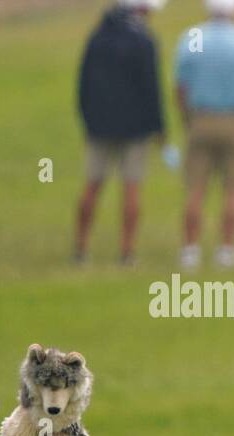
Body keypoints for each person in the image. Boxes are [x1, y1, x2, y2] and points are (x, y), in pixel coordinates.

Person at [174, 0, 234, 269]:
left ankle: (190, 250)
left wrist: (187, 119)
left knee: (195, 189)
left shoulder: (191, 39)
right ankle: (226, 249)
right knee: (233, 190)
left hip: (201, 118)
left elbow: (180, 87)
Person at [73, 0, 167, 266]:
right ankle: (126, 251)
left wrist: (88, 118)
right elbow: (152, 89)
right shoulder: (144, 41)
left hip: (99, 125)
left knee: (92, 184)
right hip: (134, 128)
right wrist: (159, 128)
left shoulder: (98, 36)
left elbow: (83, 82)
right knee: (132, 187)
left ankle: (80, 248)